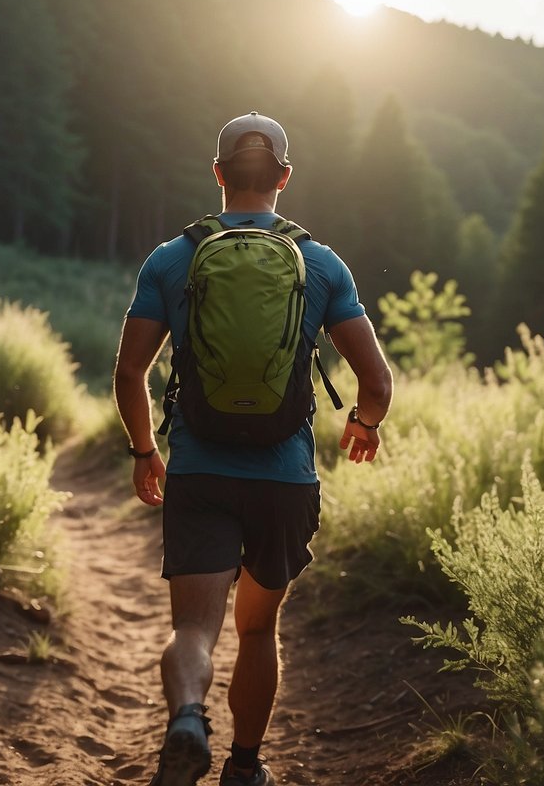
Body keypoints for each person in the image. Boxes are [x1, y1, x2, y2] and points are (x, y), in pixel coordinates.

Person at [113, 112, 394, 786]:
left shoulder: (170, 258)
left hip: (200, 471)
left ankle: (186, 717)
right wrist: (363, 422)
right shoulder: (320, 263)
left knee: (194, 631)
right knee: (258, 630)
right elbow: (376, 382)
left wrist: (144, 450)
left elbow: (129, 372)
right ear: (284, 178)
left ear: (216, 175)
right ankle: (243, 766)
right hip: (284, 478)